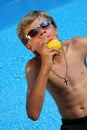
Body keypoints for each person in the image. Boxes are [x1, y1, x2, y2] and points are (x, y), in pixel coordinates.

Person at [17, 10, 87, 130]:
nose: (42, 31)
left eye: (45, 25)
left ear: (55, 29)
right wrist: (45, 67)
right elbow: (33, 114)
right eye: (33, 33)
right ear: (30, 47)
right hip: (73, 125)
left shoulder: (78, 45)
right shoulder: (34, 67)